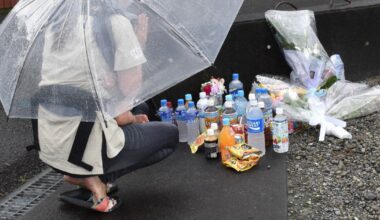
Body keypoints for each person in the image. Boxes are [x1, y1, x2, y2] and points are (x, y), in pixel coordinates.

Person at [36, 1, 178, 212]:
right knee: (169, 136)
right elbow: (121, 113)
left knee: (142, 109)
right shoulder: (115, 23)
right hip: (84, 145)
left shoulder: (58, 26)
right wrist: (138, 43)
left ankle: (82, 174)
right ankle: (94, 179)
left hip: (53, 142)